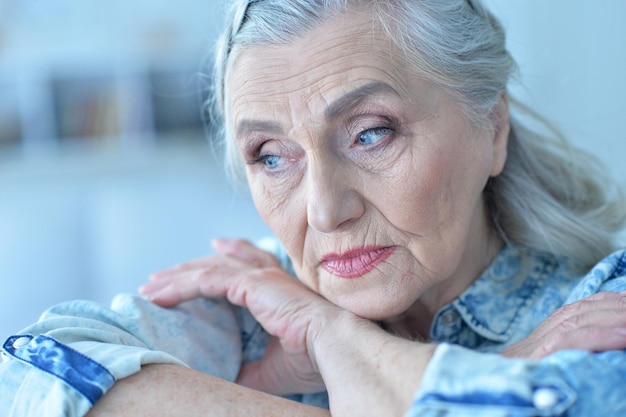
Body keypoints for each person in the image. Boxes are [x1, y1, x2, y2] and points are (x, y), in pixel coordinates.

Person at [2, 0, 626, 416]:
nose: (325, 212)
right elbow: (28, 378)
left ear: (491, 128)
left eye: (371, 132)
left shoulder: (604, 303)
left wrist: (342, 345)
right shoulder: (257, 307)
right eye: (272, 156)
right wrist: (487, 372)